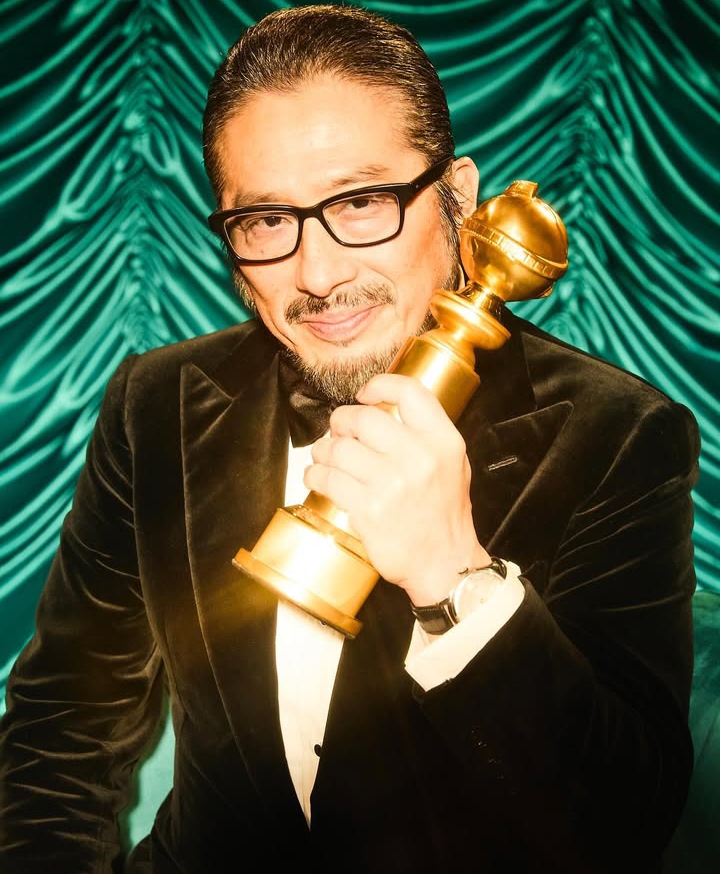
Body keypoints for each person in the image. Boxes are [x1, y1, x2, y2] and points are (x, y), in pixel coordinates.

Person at [0, 5, 701, 873]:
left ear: (459, 199)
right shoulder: (157, 403)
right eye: (266, 221)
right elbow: (62, 727)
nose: (319, 274)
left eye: (363, 203)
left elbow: (621, 827)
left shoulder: (620, 436)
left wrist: (455, 581)